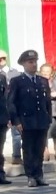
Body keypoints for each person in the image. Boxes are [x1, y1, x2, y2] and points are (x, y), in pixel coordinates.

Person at [8, 50, 52, 187]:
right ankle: (31, 176)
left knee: (39, 149)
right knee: (28, 149)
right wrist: (16, 121)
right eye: (30, 62)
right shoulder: (17, 81)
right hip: (26, 121)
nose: (34, 64)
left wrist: (49, 118)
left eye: (35, 62)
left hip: (41, 120)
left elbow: (47, 102)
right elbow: (11, 102)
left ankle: (39, 175)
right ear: (23, 64)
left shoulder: (42, 81)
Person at [40, 64, 56, 162]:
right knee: (45, 133)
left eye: (48, 72)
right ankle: (45, 152)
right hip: (43, 112)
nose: (45, 74)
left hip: (55, 112)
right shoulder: (37, 83)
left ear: (51, 73)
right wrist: (48, 95)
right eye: (43, 72)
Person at [0, 55, 10, 185]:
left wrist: (8, 116)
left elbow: (5, 99)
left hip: (1, 119)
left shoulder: (2, 77)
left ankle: (0, 175)